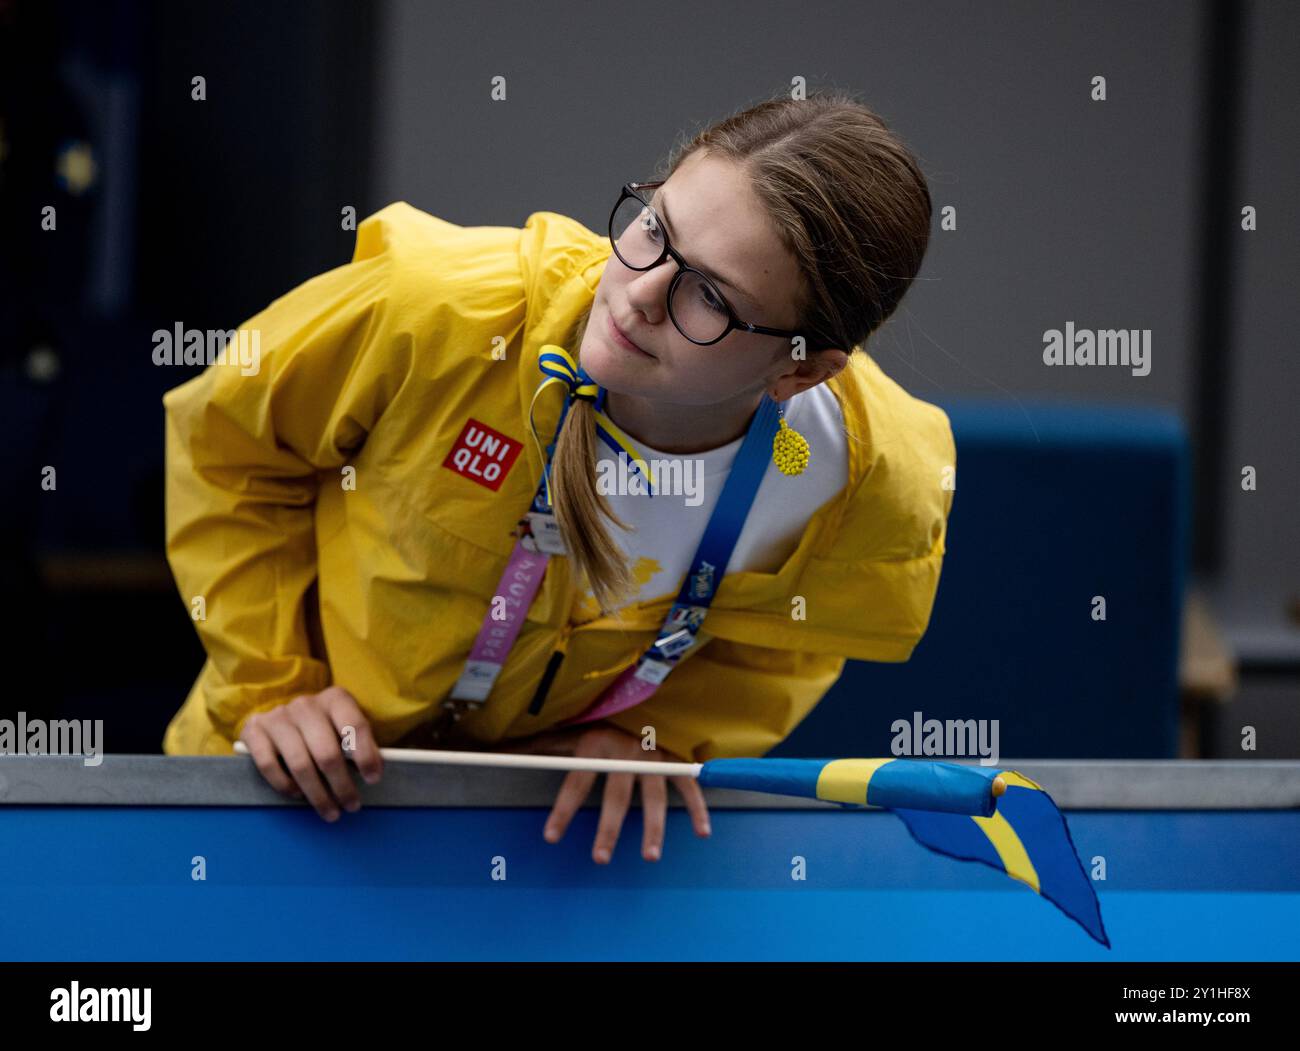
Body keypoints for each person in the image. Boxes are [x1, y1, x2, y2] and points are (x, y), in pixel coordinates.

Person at [161, 88, 955, 865]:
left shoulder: (863, 483)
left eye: (709, 295)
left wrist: (656, 734)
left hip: (540, 849)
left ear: (802, 370)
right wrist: (273, 687)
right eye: (655, 229)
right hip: (278, 794)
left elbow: (789, 640)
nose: (639, 295)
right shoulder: (443, 309)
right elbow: (228, 445)